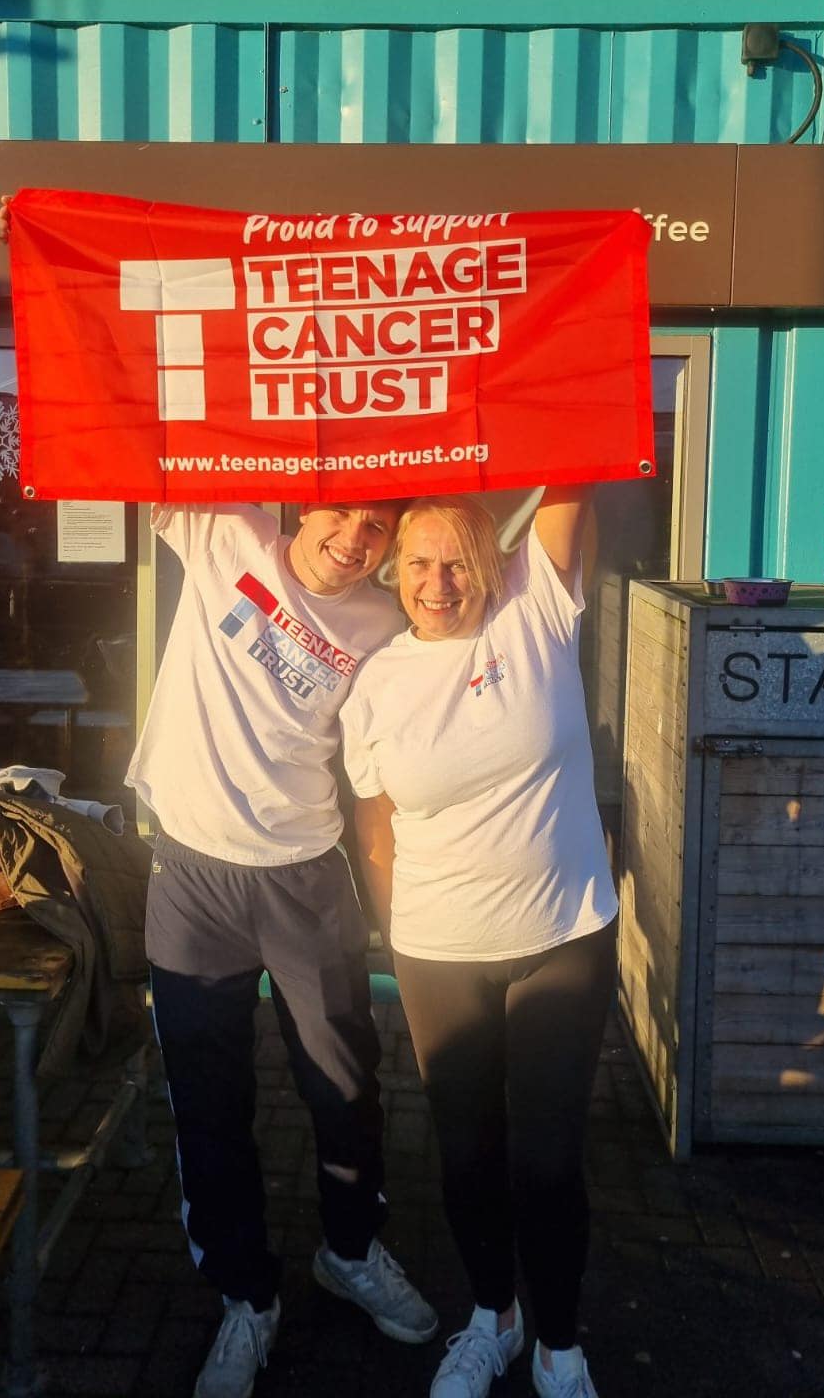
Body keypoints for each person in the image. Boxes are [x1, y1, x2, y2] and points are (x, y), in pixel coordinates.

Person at [0, 197, 436, 1397]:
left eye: (378, 523)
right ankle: (246, 1294)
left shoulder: (391, 613)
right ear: (305, 502)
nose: (355, 537)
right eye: (343, 510)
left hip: (306, 874)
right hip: (189, 870)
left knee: (345, 1083)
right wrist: (63, 271)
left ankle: (351, 1251)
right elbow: (127, 409)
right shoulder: (221, 521)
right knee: (210, 1100)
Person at [341, 491, 616, 1398]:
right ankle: (493, 1318)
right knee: (466, 1155)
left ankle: (559, 1346)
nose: (437, 583)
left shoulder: (536, 606)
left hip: (562, 933)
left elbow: (572, 475)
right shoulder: (377, 682)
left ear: (490, 563)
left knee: (544, 1158)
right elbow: (373, 830)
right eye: (417, 564)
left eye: (457, 561)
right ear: (394, 572)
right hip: (438, 950)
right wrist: (401, 931)